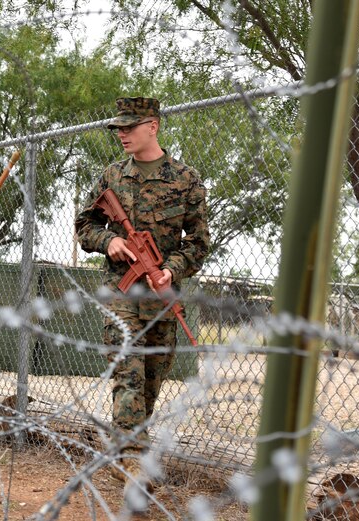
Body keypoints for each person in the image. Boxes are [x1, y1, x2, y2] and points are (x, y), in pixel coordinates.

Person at [75, 97, 210, 502]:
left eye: (128, 127)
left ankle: (125, 452)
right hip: (121, 295)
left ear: (152, 126)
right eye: (117, 128)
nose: (121, 134)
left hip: (161, 300)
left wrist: (173, 268)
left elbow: (200, 242)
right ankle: (135, 460)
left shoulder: (186, 179)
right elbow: (85, 224)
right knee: (128, 373)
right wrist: (110, 239)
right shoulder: (111, 175)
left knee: (149, 383)